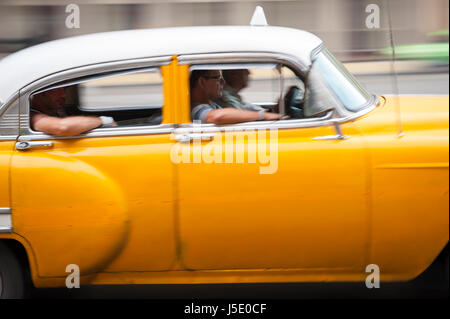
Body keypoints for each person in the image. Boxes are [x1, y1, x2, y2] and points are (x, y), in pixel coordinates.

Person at [190, 70, 281, 124]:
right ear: (202, 82)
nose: (223, 82)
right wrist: (263, 115)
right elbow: (217, 116)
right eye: (218, 78)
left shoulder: (212, 104)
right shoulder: (196, 109)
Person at [30, 87, 116, 136]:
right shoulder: (33, 116)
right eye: (56, 90)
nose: (63, 95)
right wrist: (103, 121)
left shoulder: (54, 111)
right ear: (39, 93)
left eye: (64, 90)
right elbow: (62, 127)